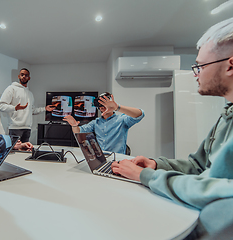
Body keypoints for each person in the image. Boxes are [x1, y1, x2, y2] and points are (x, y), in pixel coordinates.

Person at [110, 17, 233, 238]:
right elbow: (198, 165)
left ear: (230, 65)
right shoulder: (226, 116)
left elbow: (221, 192)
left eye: (200, 66)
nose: (195, 74)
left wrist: (145, 176)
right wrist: (156, 164)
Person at [63, 92, 144, 154]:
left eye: (105, 103)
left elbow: (140, 114)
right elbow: (79, 131)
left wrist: (117, 107)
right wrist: (74, 125)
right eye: (100, 104)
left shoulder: (121, 120)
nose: (102, 107)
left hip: (117, 158)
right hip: (100, 158)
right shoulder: (96, 122)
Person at [0, 68, 55, 142]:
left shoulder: (30, 93)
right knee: (15, 151)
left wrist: (45, 109)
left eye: (26, 75)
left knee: (25, 151)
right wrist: (15, 108)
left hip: (27, 128)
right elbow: (1, 106)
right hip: (15, 128)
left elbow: (31, 110)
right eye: (22, 75)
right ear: (18, 76)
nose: (24, 77)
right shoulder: (11, 89)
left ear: (29, 78)